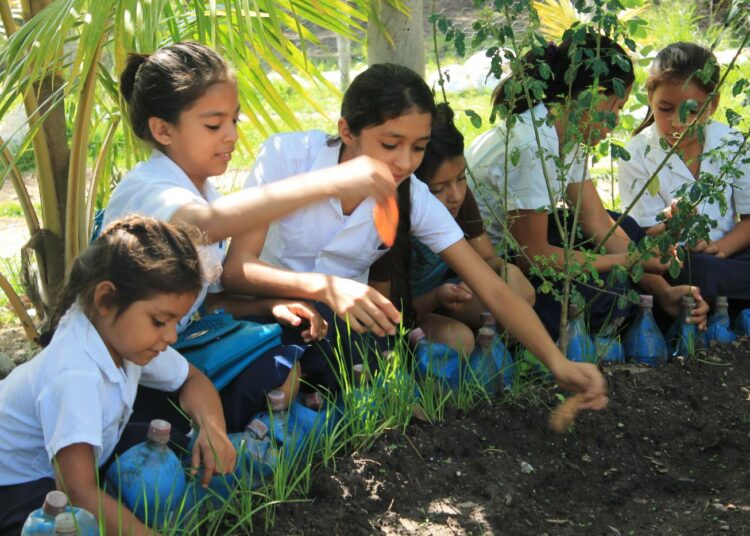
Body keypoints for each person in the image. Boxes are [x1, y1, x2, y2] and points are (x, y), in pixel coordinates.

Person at [223, 63, 608, 409]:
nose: (405, 163)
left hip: (342, 332)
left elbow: (492, 288)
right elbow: (236, 270)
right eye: (390, 145)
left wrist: (559, 364)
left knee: (377, 371)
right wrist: (325, 288)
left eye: (418, 148)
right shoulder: (288, 158)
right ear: (347, 130)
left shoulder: (412, 195)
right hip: (262, 316)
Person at [106, 42, 399, 426]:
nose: (231, 136)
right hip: (133, 367)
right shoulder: (148, 187)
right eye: (214, 125)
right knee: (276, 372)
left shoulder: (203, 190)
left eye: (235, 121)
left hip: (179, 347)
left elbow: (201, 308)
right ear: (163, 130)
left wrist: (269, 305)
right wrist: (329, 181)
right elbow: (205, 223)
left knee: (317, 331)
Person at [466, 30, 709, 341]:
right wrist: (630, 261)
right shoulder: (531, 143)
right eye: (616, 107)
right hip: (488, 265)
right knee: (607, 291)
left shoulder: (569, 133)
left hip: (521, 250)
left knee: (627, 229)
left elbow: (596, 222)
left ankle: (648, 304)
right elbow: (534, 258)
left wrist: (660, 288)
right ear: (588, 97)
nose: (619, 119)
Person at [0, 216, 236, 535]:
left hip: (81, 460)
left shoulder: (119, 334)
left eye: (174, 322)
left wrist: (213, 429)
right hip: (19, 484)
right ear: (106, 299)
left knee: (169, 445)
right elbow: (76, 491)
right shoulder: (74, 374)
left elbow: (192, 379)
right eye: (159, 321)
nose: (171, 336)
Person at [368, 102, 535, 353]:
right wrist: (436, 297)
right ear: (415, 187)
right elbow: (389, 309)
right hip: (405, 313)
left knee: (517, 292)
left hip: (447, 295)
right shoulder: (392, 220)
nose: (455, 195)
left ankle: (505, 361)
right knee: (459, 340)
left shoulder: (460, 201)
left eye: (461, 179)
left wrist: (502, 268)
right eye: (438, 189)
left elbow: (487, 257)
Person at [618, 42, 750, 306]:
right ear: (650, 100)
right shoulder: (637, 153)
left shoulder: (733, 144)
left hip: (729, 252)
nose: (678, 122)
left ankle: (721, 298)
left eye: (692, 111)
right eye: (665, 109)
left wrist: (718, 249)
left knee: (709, 269)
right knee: (690, 271)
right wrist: (672, 227)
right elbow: (642, 234)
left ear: (712, 105)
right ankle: (724, 300)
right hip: (676, 260)